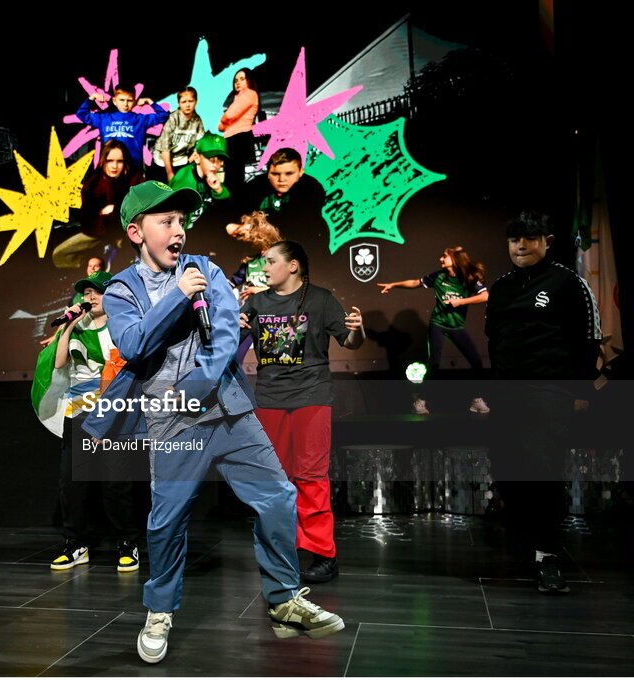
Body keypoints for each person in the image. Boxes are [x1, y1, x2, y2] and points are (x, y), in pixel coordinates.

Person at [83, 181, 344, 664]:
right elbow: (135, 345)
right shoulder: (122, 288)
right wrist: (176, 298)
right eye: (166, 222)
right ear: (137, 231)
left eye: (181, 221)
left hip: (229, 411)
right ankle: (159, 611)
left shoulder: (205, 268)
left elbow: (224, 335)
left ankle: (284, 599)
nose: (178, 230)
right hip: (172, 423)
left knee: (279, 496)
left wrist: (197, 388)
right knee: (167, 520)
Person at [484, 211, 600, 594]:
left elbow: (588, 340)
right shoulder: (500, 287)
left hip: (551, 391)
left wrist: (581, 392)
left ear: (546, 241)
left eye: (530, 239)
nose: (521, 246)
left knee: (543, 468)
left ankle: (549, 556)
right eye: (515, 239)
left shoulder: (569, 283)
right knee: (506, 468)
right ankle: (527, 545)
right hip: (506, 394)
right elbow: (493, 342)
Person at [240, 241, 364, 584]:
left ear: (293, 265)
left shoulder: (321, 299)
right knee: (276, 481)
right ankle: (283, 549)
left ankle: (323, 554)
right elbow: (233, 348)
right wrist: (234, 326)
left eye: (270, 261)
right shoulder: (257, 302)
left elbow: (351, 342)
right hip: (269, 400)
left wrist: (358, 329)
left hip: (311, 398)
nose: (264, 268)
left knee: (310, 476)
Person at [32, 270, 139, 572]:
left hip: (115, 410)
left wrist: (105, 419)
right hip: (78, 410)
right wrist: (68, 326)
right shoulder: (77, 328)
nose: (90, 297)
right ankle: (76, 543)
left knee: (116, 484)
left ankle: (127, 543)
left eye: (97, 292)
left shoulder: (123, 327)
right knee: (73, 483)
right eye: (86, 293)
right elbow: (59, 362)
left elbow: (120, 372)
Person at [378, 246, 490, 414]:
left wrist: (461, 302)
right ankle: (420, 401)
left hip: (456, 327)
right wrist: (394, 285)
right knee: (434, 364)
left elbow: (485, 296)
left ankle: (477, 400)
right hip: (438, 324)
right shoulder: (438, 277)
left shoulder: (468, 278)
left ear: (455, 260)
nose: (440, 259)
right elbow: (415, 282)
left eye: (444, 256)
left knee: (476, 361)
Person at [53, 141, 143, 269]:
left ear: (125, 162)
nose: (114, 166)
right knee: (59, 254)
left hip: (126, 232)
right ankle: (90, 267)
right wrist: (102, 216)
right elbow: (87, 221)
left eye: (119, 161)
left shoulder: (135, 178)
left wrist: (115, 209)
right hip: (97, 232)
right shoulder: (93, 183)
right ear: (103, 161)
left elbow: (139, 206)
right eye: (110, 161)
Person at [74, 85, 169, 168]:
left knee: (132, 188)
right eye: (122, 100)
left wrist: (150, 102)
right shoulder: (104, 118)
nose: (125, 103)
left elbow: (163, 115)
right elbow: (81, 114)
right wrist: (92, 98)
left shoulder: (141, 119)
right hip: (109, 166)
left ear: (135, 102)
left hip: (133, 165)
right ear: (114, 101)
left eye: (129, 100)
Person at [244, 148, 326, 231]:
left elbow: (309, 225)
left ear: (300, 172)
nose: (281, 179)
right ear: (268, 173)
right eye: (275, 174)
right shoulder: (253, 187)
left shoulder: (312, 188)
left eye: (289, 173)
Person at [167, 133, 230, 227]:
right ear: (197, 158)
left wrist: (218, 189)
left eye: (220, 160)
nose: (216, 165)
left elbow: (227, 198)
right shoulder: (185, 182)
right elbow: (173, 217)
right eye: (211, 159)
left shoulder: (209, 174)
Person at [218, 68, 259, 195]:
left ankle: (234, 205)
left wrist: (225, 120)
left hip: (240, 138)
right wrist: (225, 121)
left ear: (249, 80)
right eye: (236, 80)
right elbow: (221, 126)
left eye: (242, 79)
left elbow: (229, 115)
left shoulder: (249, 94)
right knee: (232, 175)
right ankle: (232, 204)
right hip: (233, 138)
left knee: (234, 177)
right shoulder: (238, 98)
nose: (238, 82)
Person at [226, 211, 282, 302]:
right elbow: (232, 282)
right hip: (253, 310)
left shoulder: (279, 261)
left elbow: (285, 290)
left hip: (274, 311)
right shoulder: (251, 263)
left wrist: (258, 290)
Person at [152, 86, 205, 181]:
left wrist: (192, 157)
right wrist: (170, 173)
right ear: (178, 103)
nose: (187, 105)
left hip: (181, 161)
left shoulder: (197, 120)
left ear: (196, 101)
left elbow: (201, 142)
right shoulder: (173, 118)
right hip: (163, 162)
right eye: (184, 102)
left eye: (190, 101)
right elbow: (165, 148)